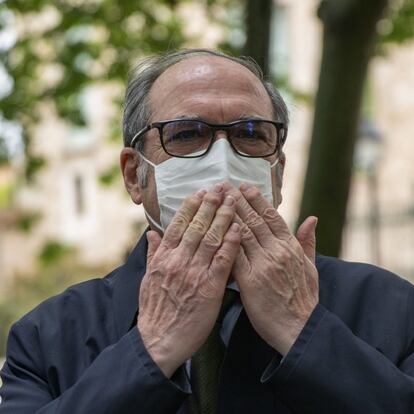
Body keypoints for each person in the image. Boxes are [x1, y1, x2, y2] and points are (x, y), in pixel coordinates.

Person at [1, 49, 414, 414]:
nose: (222, 159)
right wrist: (152, 350)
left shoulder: (392, 308)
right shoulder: (46, 338)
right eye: (186, 134)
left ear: (279, 174)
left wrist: (304, 332)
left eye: (250, 134)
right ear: (134, 175)